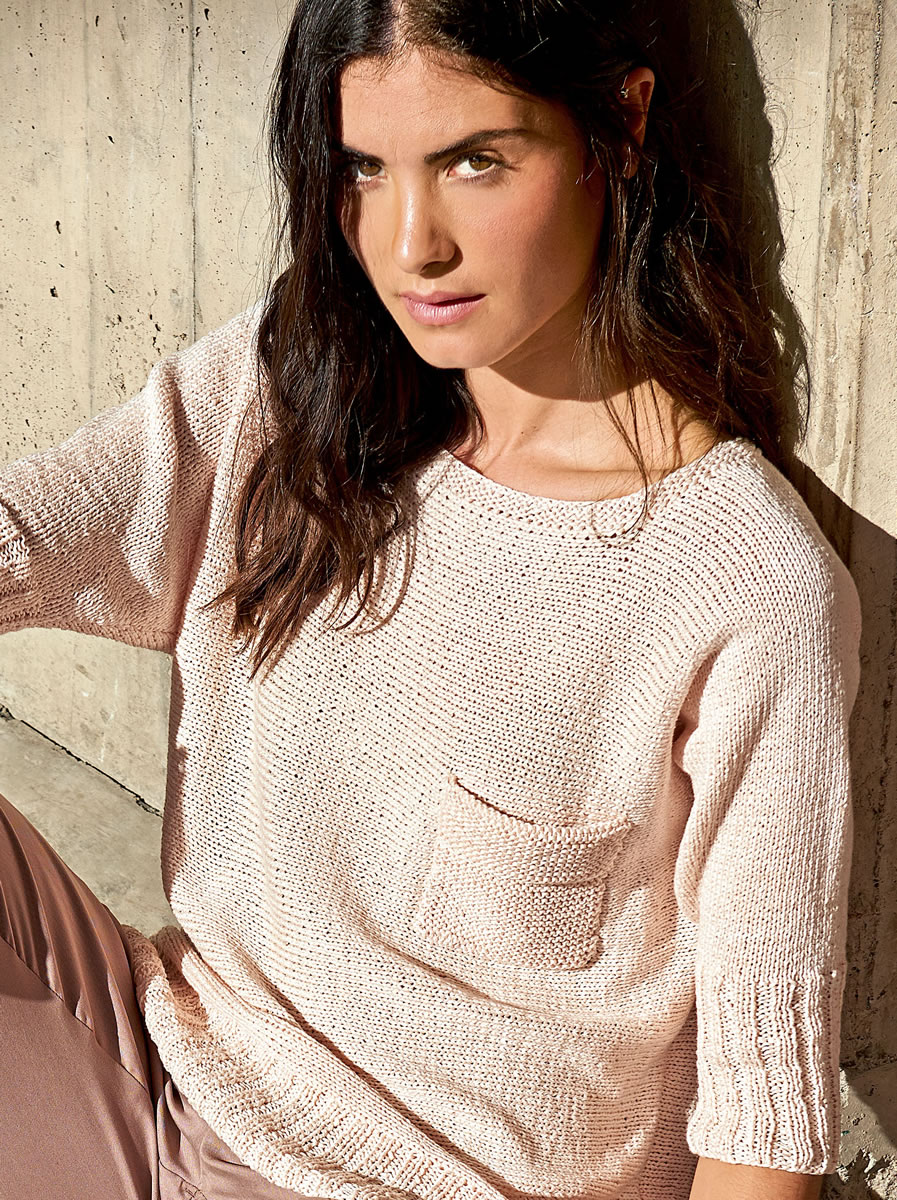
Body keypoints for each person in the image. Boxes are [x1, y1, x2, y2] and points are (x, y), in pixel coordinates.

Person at [0, 1, 861, 1199]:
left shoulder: (743, 581)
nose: (411, 246)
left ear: (620, 126)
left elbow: (763, 1119)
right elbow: (27, 529)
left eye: (475, 161)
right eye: (362, 168)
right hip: (161, 1077)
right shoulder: (297, 382)